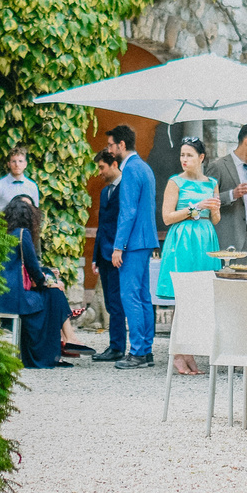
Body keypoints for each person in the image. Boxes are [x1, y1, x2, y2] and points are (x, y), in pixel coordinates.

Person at [105, 125, 160, 368]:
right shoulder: (145, 168)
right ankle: (145, 350)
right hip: (146, 240)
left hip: (133, 242)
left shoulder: (129, 171)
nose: (109, 149)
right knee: (143, 296)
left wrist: (118, 247)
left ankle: (137, 352)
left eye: (110, 145)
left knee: (130, 296)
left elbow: (127, 212)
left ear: (122, 145)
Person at [0, 197, 71, 369]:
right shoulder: (23, 233)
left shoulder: (2, 232)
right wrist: (47, 283)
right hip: (15, 296)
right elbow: (32, 267)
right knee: (53, 296)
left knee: (51, 292)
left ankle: (63, 343)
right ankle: (45, 356)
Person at [157, 136, 224, 299]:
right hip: (183, 238)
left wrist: (215, 210)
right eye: (182, 155)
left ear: (201, 157)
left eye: (189, 155)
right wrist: (196, 207)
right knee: (184, 292)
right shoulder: (175, 182)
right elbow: (167, 218)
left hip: (206, 237)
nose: (184, 159)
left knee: (205, 292)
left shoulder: (212, 183)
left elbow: (216, 220)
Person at [88, 149, 129, 362]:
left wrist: (120, 248)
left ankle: (117, 347)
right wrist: (95, 256)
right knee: (110, 300)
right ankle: (116, 345)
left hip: (118, 253)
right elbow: (102, 226)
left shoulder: (127, 188)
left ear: (114, 164)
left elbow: (126, 221)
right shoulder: (105, 192)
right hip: (103, 254)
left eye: (102, 167)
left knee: (116, 301)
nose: (100, 172)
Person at [212, 124, 247, 262]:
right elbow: (207, 200)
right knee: (235, 281)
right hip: (234, 237)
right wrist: (232, 194)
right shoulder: (218, 166)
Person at [0, 146, 41, 219]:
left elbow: (35, 215)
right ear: (8, 164)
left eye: (20, 161)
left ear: (25, 164)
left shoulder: (32, 187)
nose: (17, 165)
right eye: (14, 161)